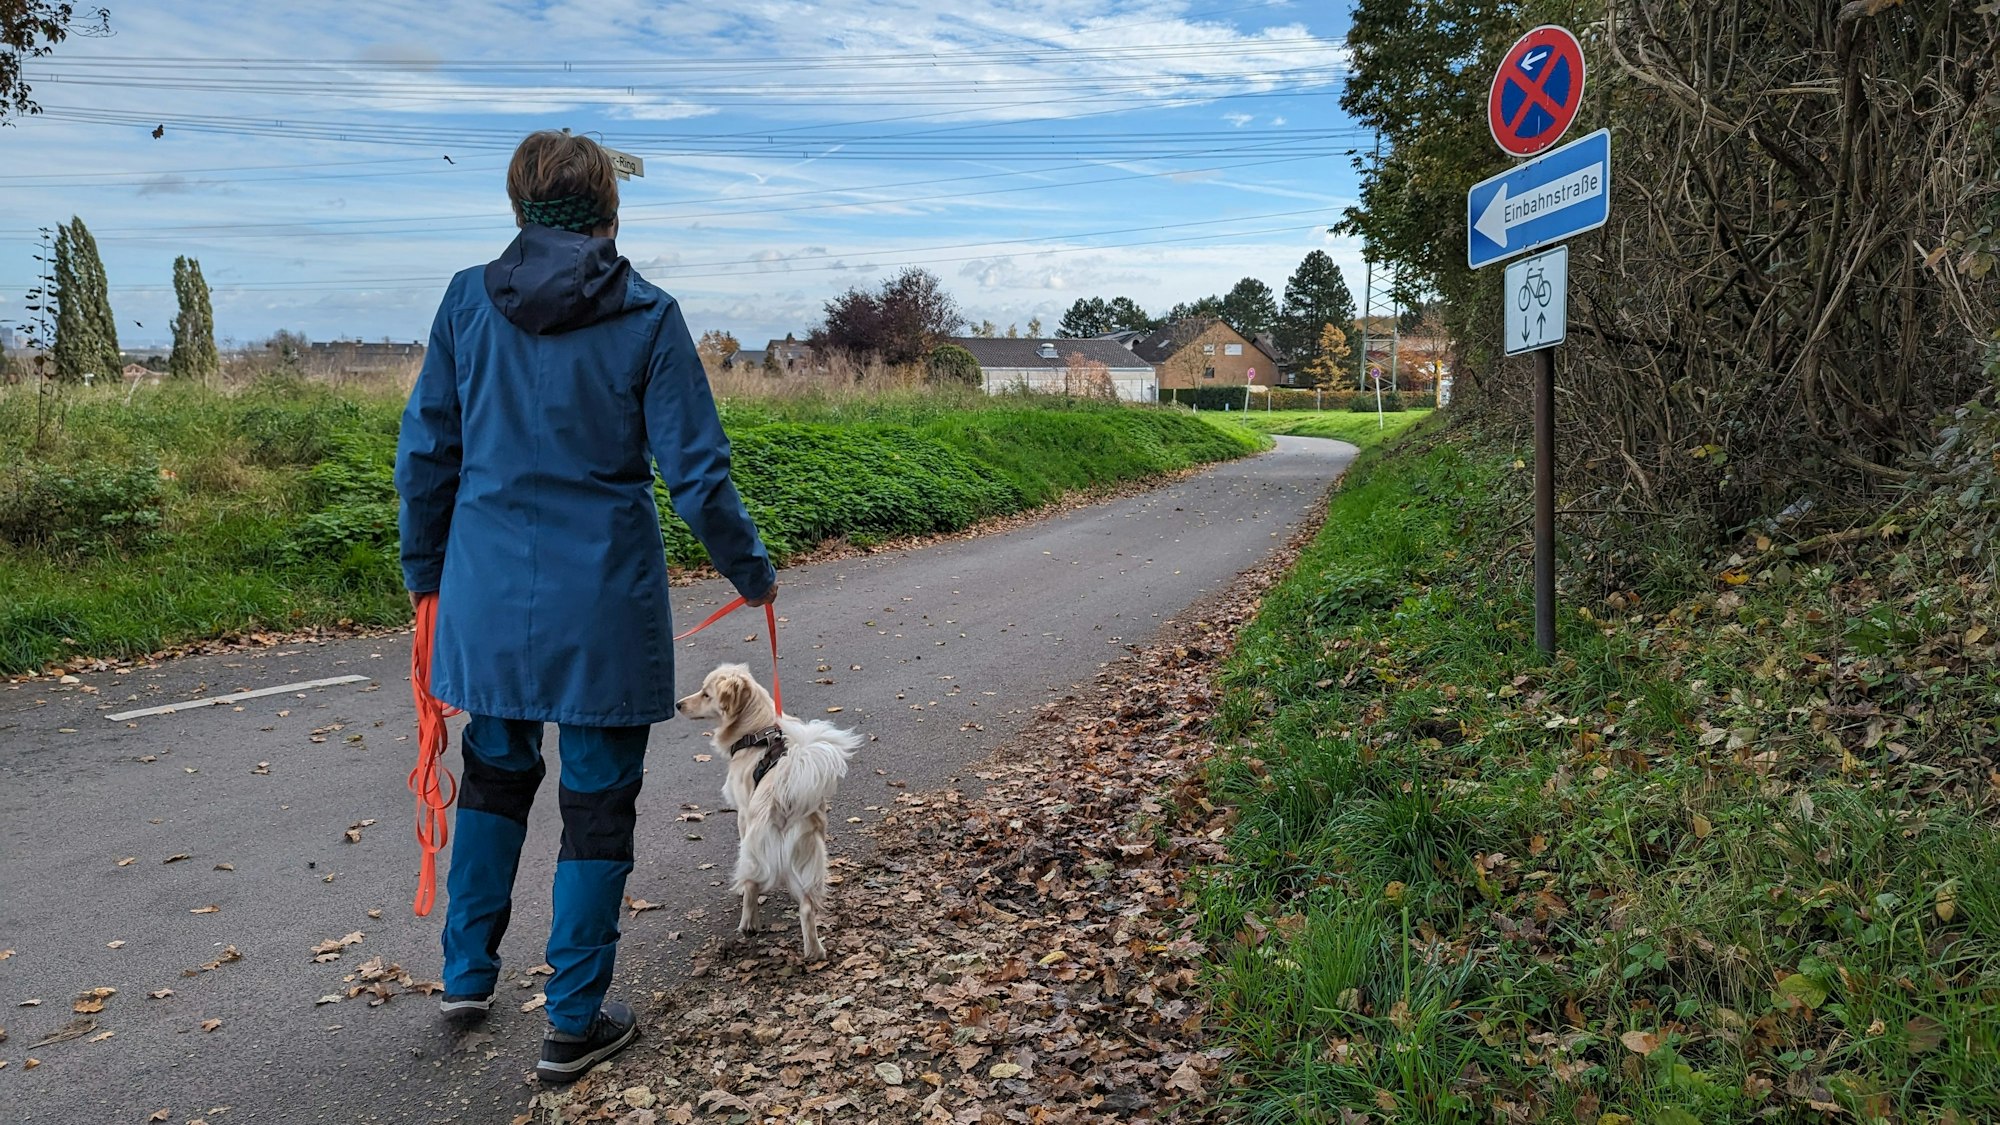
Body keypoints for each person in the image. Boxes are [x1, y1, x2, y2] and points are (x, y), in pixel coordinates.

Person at [394, 129, 776, 1084]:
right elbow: (698, 474)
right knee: (598, 803)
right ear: (610, 209)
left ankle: (466, 973)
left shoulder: (463, 303)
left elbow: (427, 454)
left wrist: (424, 573)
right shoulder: (648, 313)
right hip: (604, 596)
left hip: (485, 588)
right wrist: (752, 571)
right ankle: (572, 1018)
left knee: (492, 770)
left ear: (518, 207)